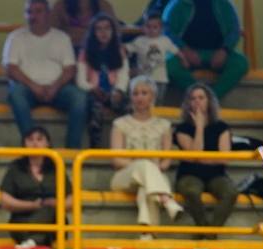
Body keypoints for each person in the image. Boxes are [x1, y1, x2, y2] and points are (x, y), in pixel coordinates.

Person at [3, 0, 90, 150]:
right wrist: (34, 86)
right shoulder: (15, 37)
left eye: (38, 11)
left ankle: (71, 150)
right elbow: (11, 69)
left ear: (48, 14)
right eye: (29, 12)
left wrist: (55, 87)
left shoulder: (62, 38)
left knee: (80, 98)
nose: (33, 16)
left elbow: (70, 69)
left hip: (58, 89)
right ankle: (32, 145)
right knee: (16, 94)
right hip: (27, 89)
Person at [109, 76, 184, 233]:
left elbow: (166, 162)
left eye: (144, 93)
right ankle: (166, 199)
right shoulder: (119, 124)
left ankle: (147, 234)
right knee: (145, 166)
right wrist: (144, 166)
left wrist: (151, 168)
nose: (139, 97)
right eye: (135, 93)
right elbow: (116, 160)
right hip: (124, 176)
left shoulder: (164, 125)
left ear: (153, 97)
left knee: (147, 190)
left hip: (155, 176)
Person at [173, 82, 235, 229]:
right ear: (188, 104)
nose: (197, 101)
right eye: (193, 99)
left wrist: (199, 159)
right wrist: (199, 127)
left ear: (209, 102)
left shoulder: (222, 127)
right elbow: (195, 153)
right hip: (189, 174)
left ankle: (210, 233)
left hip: (216, 175)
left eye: (201, 98)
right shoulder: (182, 129)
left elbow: (225, 158)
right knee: (191, 191)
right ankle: (203, 228)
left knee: (231, 192)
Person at [0, 125, 72, 245]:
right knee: (44, 211)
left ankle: (32, 241)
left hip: (54, 221)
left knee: (48, 207)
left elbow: (71, 199)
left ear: (48, 143)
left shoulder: (56, 166)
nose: (35, 143)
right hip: (22, 220)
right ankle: (35, 240)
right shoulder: (15, 167)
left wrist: (56, 203)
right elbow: (5, 201)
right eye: (30, 140)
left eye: (39, 139)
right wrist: (32, 205)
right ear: (24, 143)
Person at [164, 0, 248, 100]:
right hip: (185, 55)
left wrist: (224, 50)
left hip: (217, 53)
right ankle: (197, 95)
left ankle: (212, 98)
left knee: (241, 63)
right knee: (168, 65)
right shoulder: (179, 4)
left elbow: (234, 30)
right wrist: (184, 49)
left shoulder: (224, 4)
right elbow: (167, 31)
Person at [77, 13, 129, 146]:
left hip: (113, 92)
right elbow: (80, 80)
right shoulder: (85, 53)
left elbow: (124, 76)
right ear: (93, 32)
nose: (103, 32)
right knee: (96, 109)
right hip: (93, 92)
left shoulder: (119, 51)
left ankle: (126, 144)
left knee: (127, 106)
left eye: (107, 28)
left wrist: (118, 91)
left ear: (113, 31)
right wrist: (93, 89)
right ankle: (96, 147)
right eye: (99, 29)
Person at [127, 11, 179, 90]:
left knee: (158, 101)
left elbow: (176, 51)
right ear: (143, 27)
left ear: (161, 28)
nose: (151, 30)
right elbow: (128, 48)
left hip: (160, 79)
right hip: (143, 78)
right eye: (148, 26)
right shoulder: (139, 41)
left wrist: (183, 60)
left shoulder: (165, 40)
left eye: (155, 27)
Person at [50, 0, 116, 49]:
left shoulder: (103, 5)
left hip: (98, 50)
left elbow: (115, 31)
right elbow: (50, 31)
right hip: (70, 50)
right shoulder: (60, 5)